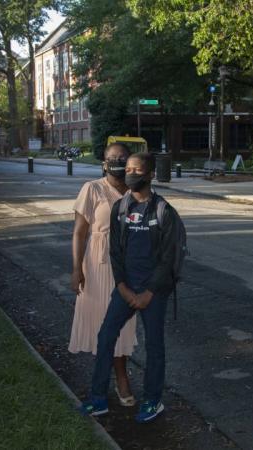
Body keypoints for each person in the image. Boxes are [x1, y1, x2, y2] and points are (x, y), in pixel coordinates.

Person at [80, 152, 178, 424]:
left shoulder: (164, 211)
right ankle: (98, 399)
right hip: (125, 289)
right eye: (129, 169)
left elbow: (169, 258)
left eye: (137, 169)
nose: (130, 173)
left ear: (149, 175)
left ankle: (152, 401)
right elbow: (116, 252)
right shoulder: (121, 208)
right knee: (105, 337)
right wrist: (122, 286)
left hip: (152, 293)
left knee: (154, 346)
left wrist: (148, 292)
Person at [70, 143, 138, 406]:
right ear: (103, 163)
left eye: (122, 157)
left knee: (122, 325)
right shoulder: (92, 189)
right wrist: (76, 269)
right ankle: (111, 380)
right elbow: (79, 232)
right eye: (112, 158)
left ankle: (119, 377)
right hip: (97, 267)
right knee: (102, 325)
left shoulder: (137, 191)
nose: (117, 161)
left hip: (127, 266)